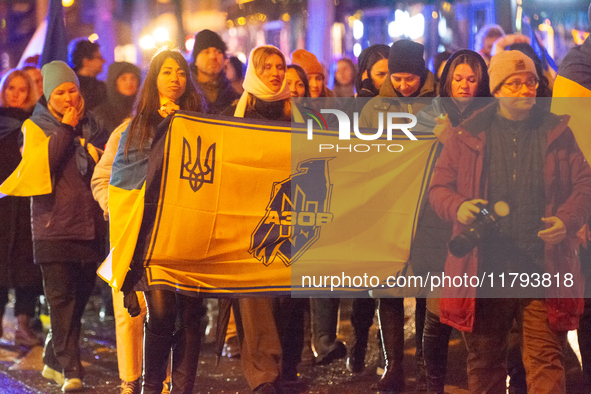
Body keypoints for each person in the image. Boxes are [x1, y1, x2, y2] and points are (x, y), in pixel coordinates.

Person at [430, 50, 591, 393]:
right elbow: (438, 188)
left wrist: (567, 219)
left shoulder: (558, 131)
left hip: (542, 270)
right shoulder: (467, 134)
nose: (525, 89)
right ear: (499, 89)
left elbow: (583, 185)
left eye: (530, 81)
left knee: (547, 365)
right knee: (485, 366)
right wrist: (458, 206)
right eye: (515, 83)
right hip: (485, 272)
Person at [8, 60, 109, 392]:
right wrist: (66, 130)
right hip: (53, 227)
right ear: (48, 95)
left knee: (78, 301)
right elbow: (44, 166)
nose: (69, 98)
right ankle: (71, 370)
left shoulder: (93, 125)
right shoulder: (35, 127)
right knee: (61, 301)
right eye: (61, 92)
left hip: (89, 226)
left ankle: (53, 359)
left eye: (73, 90)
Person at [116, 49, 206, 394]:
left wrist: (186, 126)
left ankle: (182, 387)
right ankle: (152, 386)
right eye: (167, 72)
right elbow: (128, 183)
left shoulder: (201, 119)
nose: (175, 79)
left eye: (181, 72)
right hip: (152, 235)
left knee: (191, 312)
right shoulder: (137, 127)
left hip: (192, 231)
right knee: (163, 312)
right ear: (154, 80)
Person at [358, 39, 437, 393]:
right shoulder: (375, 107)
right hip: (386, 206)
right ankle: (394, 365)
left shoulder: (438, 103)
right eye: (397, 78)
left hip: (426, 209)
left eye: (410, 78)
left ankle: (424, 361)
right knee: (386, 288)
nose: (404, 85)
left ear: (421, 74)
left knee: (424, 289)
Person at [414, 49, 492, 393]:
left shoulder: (491, 116)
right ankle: (432, 384)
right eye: (458, 78)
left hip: (475, 227)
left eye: (471, 79)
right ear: (447, 80)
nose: (464, 85)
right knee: (435, 314)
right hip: (435, 223)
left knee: (477, 318)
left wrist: (451, 140)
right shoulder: (429, 113)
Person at [223, 45, 291, 394]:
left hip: (290, 215)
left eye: (280, 66)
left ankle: (284, 366)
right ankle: (261, 372)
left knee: (284, 299)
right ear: (254, 71)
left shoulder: (296, 114)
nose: (276, 73)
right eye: (267, 67)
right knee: (254, 298)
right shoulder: (235, 115)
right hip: (248, 219)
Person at [0, 69, 44, 348]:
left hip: (27, 203)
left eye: (22, 89)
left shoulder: (36, 124)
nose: (16, 94)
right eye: (11, 89)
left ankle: (24, 323)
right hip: (2, 204)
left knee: (28, 265)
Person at [191, 29, 240, 114]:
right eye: (206, 52)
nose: (213, 57)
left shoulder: (234, 98)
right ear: (196, 60)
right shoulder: (188, 94)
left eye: (218, 52)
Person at [93, 61, 141, 134]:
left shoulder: (143, 109)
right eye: (123, 79)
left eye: (133, 78)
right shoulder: (101, 115)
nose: (129, 83)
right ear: (114, 82)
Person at [68, 38, 107, 111]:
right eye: (99, 57)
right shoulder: (73, 87)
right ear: (86, 61)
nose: (104, 61)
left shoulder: (100, 86)